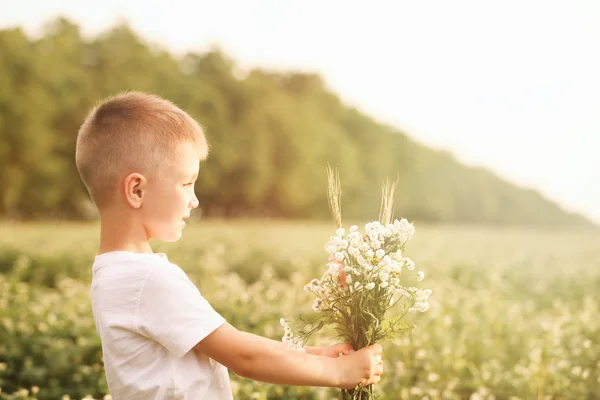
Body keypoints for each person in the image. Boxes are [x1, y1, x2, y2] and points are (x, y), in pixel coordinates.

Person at [74, 91, 384, 399]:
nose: (194, 200)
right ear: (137, 190)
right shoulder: (147, 279)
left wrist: (315, 356)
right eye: (186, 183)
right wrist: (338, 373)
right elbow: (242, 356)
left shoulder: (114, 273)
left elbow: (225, 343)